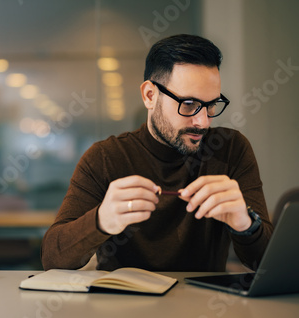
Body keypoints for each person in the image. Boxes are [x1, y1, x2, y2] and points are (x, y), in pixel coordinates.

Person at [41, 34, 273, 272]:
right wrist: (101, 220)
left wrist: (245, 224)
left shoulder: (230, 150)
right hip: (120, 303)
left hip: (203, 305)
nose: (203, 122)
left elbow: (266, 265)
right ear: (150, 96)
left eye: (211, 105)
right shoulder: (105, 158)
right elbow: (53, 258)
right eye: (189, 104)